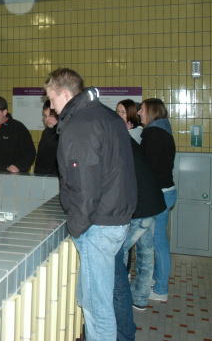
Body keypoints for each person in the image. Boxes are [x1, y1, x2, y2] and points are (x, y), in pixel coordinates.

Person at [44, 68, 136, 341]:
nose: (51, 107)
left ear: (64, 94)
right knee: (96, 295)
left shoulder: (80, 124)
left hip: (99, 224)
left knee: (97, 307)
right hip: (116, 217)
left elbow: (85, 184)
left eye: (51, 99)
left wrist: (76, 226)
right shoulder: (105, 115)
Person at [113, 138, 167, 340]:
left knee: (118, 254)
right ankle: (141, 299)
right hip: (152, 203)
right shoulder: (127, 141)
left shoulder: (116, 143)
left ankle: (121, 303)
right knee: (146, 254)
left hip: (141, 208)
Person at [138, 98, 176, 302]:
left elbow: (148, 168)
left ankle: (161, 289)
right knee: (158, 240)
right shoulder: (164, 131)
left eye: (142, 110)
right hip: (166, 191)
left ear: (152, 111)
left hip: (159, 193)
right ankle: (157, 281)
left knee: (158, 242)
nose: (139, 113)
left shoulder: (153, 134)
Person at [33, 99, 59, 176]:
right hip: (41, 176)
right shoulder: (46, 132)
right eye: (45, 116)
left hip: (55, 177)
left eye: (51, 115)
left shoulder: (63, 133)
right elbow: (40, 158)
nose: (47, 119)